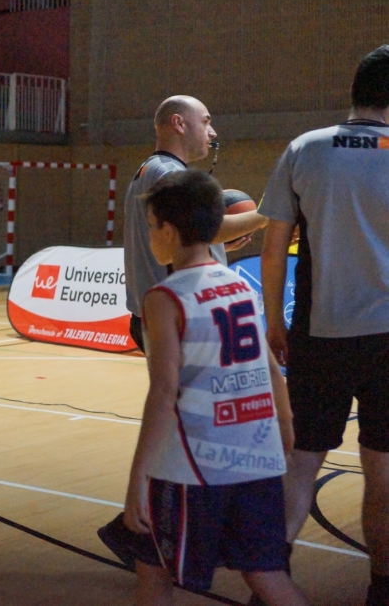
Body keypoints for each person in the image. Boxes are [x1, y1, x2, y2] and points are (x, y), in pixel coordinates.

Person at [97, 170, 307, 606]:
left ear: (169, 232)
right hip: (259, 454)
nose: (149, 236)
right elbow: (270, 366)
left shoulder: (164, 298)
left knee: (153, 571)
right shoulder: (240, 284)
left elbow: (163, 391)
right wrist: (285, 424)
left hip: (193, 466)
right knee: (266, 574)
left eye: (151, 226)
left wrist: (138, 477)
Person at [259, 45, 389, 606]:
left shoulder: (305, 148)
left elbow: (273, 249)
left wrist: (274, 321)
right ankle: (382, 587)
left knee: (301, 462)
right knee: (383, 469)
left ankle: (269, 583)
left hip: (318, 335)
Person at [122, 95, 267, 353]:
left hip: (155, 314)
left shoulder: (150, 169)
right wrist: (266, 215)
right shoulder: (171, 173)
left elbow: (174, 240)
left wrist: (215, 250)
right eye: (205, 122)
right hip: (177, 316)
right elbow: (208, 229)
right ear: (178, 123)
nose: (213, 132)